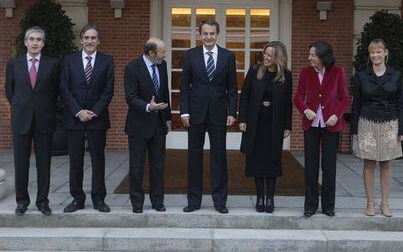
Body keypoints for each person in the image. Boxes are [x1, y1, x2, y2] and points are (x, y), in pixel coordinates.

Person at [180, 19, 237, 214]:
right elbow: (184, 87)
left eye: (212, 33)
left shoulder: (228, 56)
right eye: (205, 33)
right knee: (194, 157)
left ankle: (220, 201)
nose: (208, 37)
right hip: (195, 113)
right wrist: (184, 111)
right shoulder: (190, 55)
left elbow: (232, 88)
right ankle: (194, 201)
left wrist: (232, 112)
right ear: (200, 35)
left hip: (219, 113)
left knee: (219, 157)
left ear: (217, 34)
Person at [5, 26, 59, 216]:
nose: (35, 43)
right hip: (21, 120)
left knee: (44, 163)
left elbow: (56, 91)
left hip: (44, 119)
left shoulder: (53, 64)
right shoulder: (14, 63)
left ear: (43, 43)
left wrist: (42, 107)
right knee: (21, 163)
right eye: (32, 39)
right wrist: (21, 107)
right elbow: (9, 91)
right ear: (26, 42)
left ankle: (43, 201)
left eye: (39, 40)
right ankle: (22, 201)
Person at [60, 24, 114, 213]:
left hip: (97, 119)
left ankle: (99, 199)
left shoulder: (107, 61)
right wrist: (78, 111)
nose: (90, 41)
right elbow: (64, 90)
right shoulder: (69, 60)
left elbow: (108, 91)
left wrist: (93, 112)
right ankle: (77, 198)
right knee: (76, 160)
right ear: (81, 40)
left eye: (93, 38)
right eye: (86, 38)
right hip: (74, 119)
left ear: (98, 41)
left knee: (98, 159)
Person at [351, 38, 403, 217]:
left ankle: (385, 203)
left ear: (385, 53)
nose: (376, 55)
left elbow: (400, 103)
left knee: (386, 163)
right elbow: (356, 103)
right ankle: (370, 203)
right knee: (368, 162)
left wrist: (402, 129)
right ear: (370, 55)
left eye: (379, 51)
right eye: (372, 52)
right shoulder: (361, 75)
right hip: (367, 122)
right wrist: (354, 129)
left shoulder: (396, 75)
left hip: (390, 122)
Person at [294, 41, 349, 218]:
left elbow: (345, 99)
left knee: (329, 166)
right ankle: (310, 205)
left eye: (312, 55)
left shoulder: (338, 72)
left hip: (331, 125)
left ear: (323, 57)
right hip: (311, 125)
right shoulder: (305, 72)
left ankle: (328, 206)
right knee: (310, 166)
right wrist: (305, 110)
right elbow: (298, 97)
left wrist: (336, 115)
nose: (309, 58)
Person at [238, 41, 292, 213]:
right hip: (256, 123)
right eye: (265, 54)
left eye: (270, 55)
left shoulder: (286, 75)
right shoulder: (255, 71)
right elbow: (245, 96)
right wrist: (242, 119)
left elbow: (287, 102)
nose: (266, 57)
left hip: (274, 124)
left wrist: (287, 125)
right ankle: (260, 197)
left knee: (272, 162)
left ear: (278, 57)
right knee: (256, 162)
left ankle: (270, 198)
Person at [124, 38, 172, 213]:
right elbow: (130, 97)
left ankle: (157, 201)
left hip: (158, 125)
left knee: (158, 166)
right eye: (162, 52)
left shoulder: (162, 65)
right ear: (151, 53)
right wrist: (148, 107)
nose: (164, 55)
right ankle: (137, 202)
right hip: (138, 125)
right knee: (137, 166)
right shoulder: (132, 68)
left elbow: (164, 92)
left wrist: (167, 118)